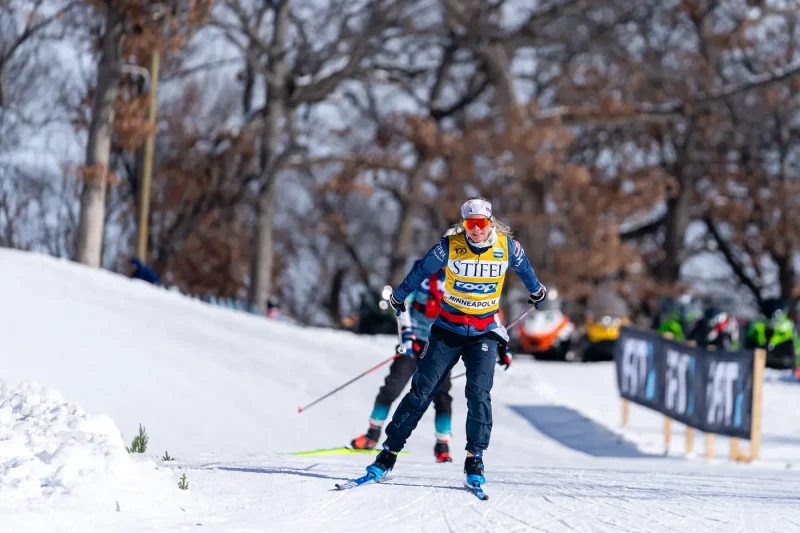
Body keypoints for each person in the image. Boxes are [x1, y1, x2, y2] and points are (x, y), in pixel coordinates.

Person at [362, 197, 547, 489]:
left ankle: (475, 457)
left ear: (490, 223)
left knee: (478, 392)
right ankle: (388, 454)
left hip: (484, 332)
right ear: (464, 225)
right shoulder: (449, 246)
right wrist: (400, 295)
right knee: (422, 391)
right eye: (470, 225)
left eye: (481, 224)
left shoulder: (506, 247)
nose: (476, 230)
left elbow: (525, 271)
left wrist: (537, 291)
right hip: (449, 329)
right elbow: (421, 270)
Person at [349, 264, 456, 462]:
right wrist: (406, 336)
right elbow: (402, 302)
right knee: (392, 388)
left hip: (439, 347)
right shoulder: (423, 274)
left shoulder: (461, 280)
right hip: (413, 342)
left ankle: (443, 444)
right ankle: (372, 434)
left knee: (442, 396)